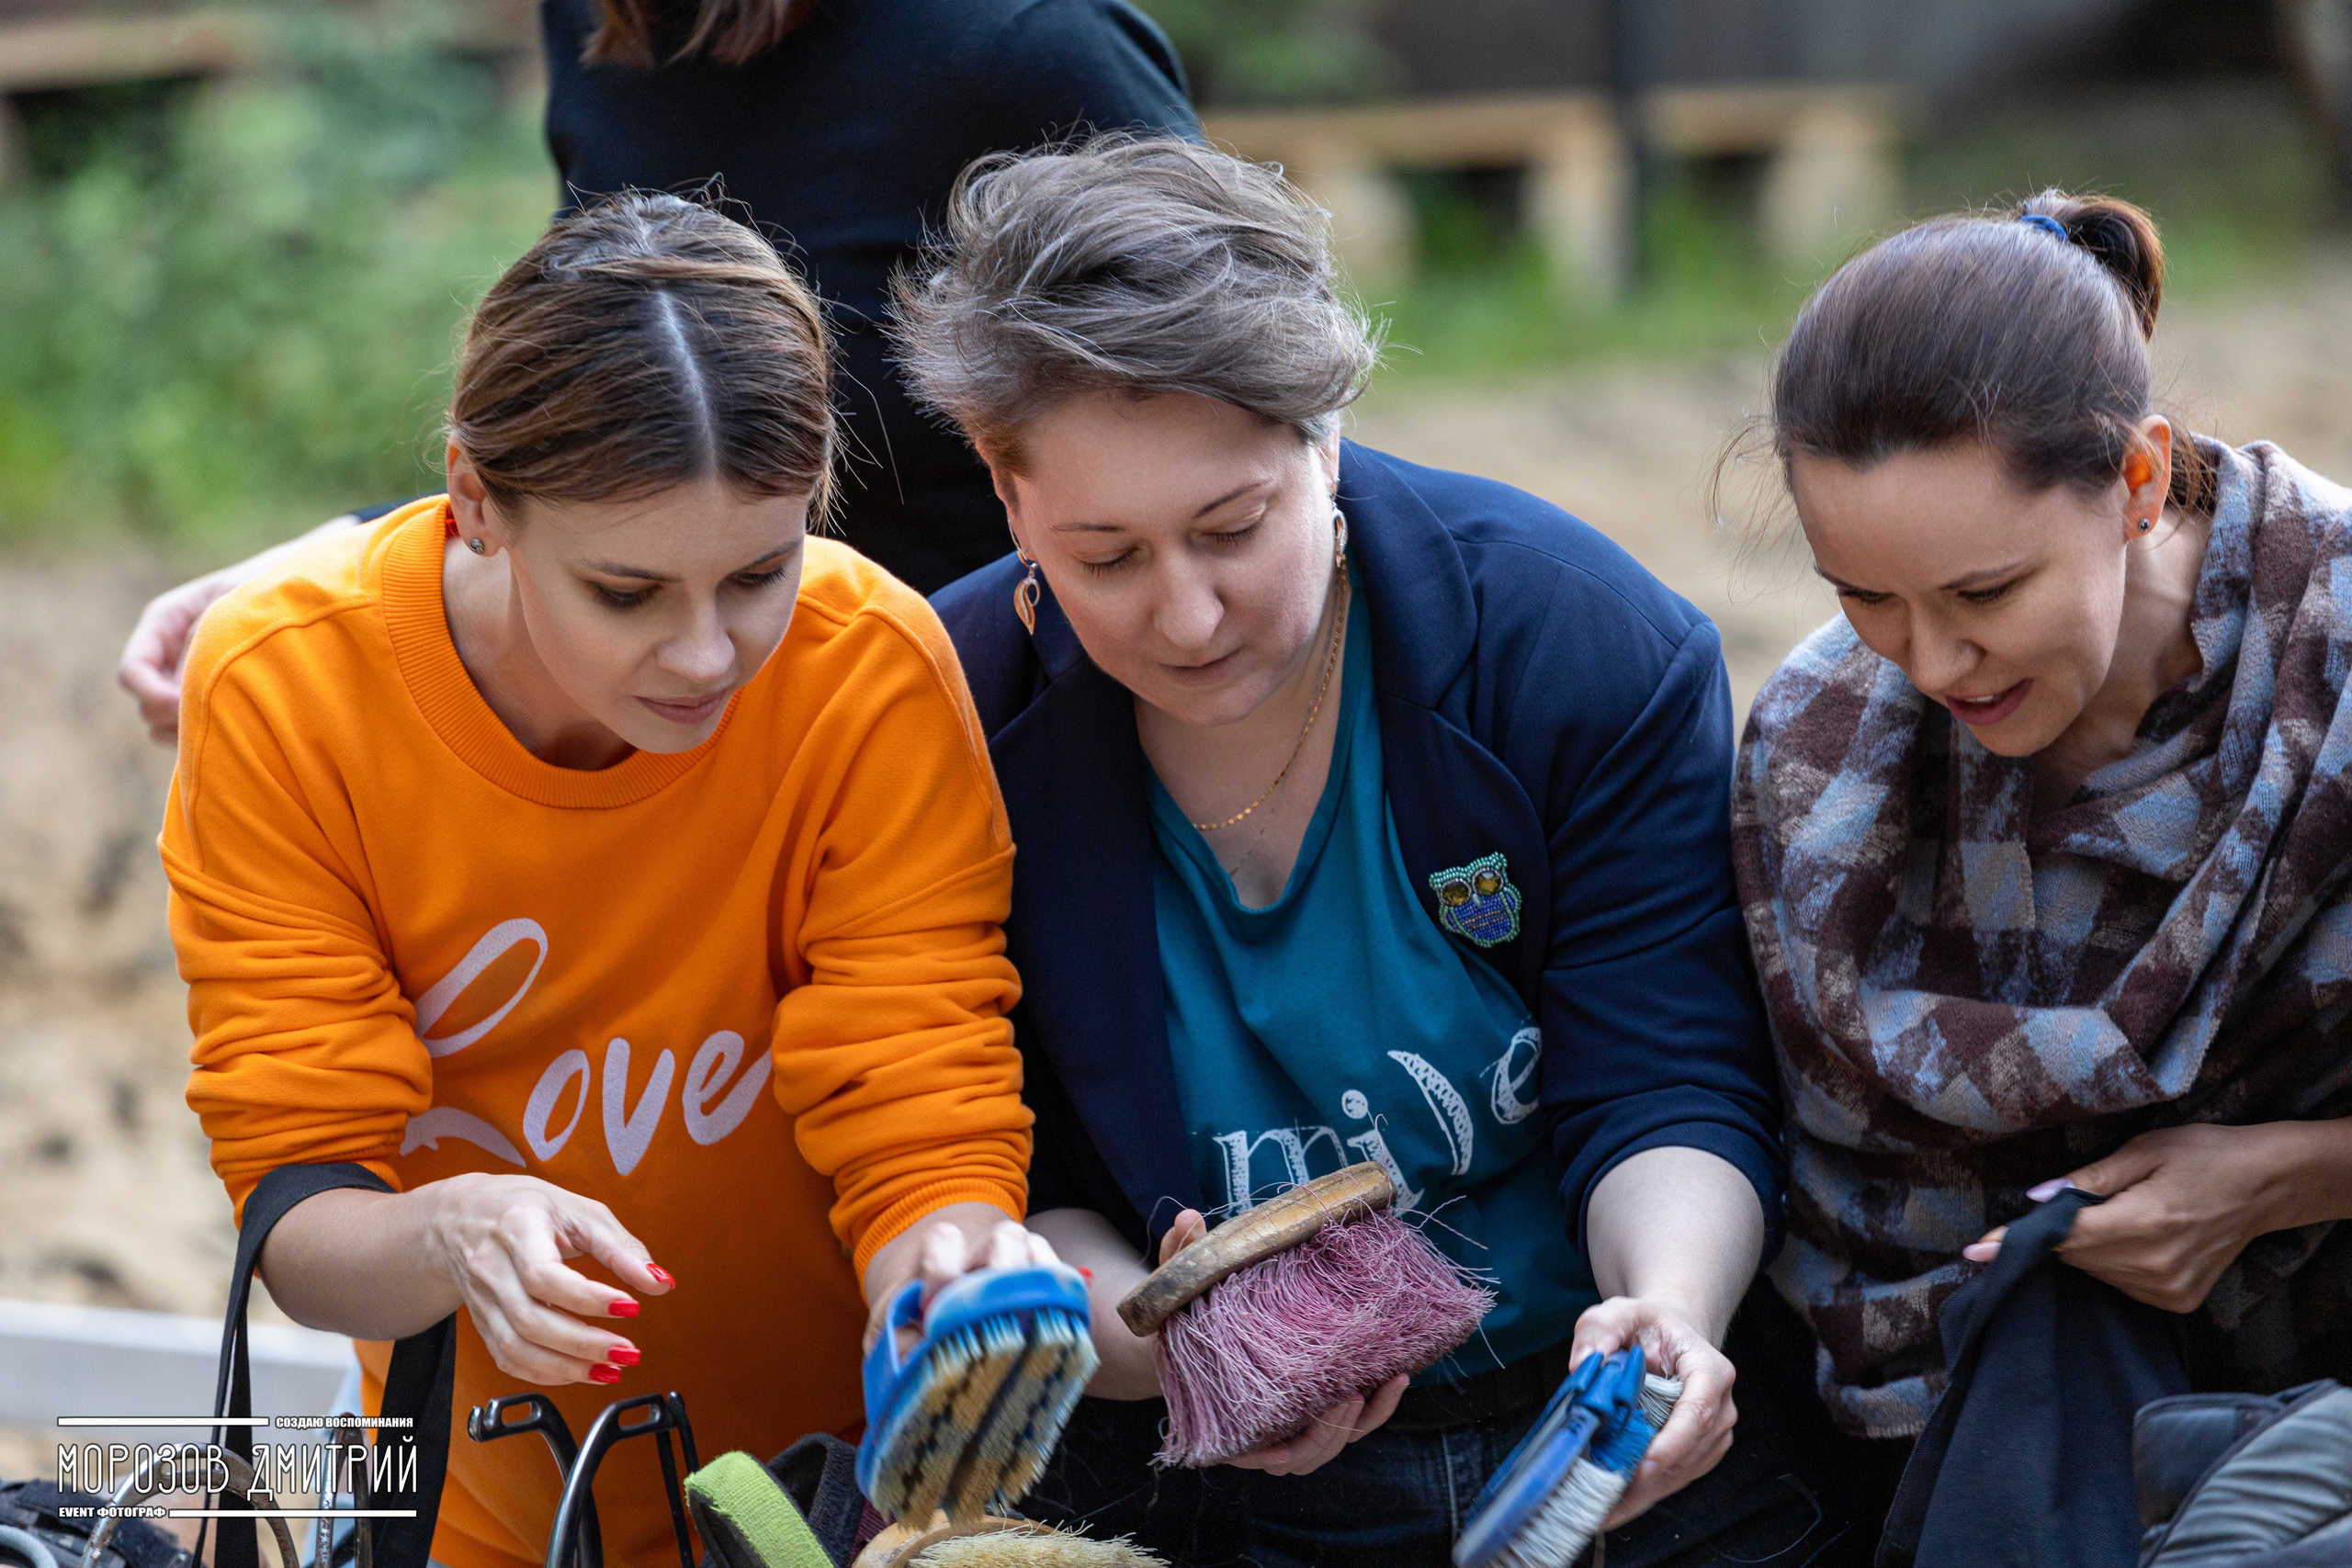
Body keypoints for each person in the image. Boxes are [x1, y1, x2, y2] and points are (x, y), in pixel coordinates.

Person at [899, 138, 1813, 1568]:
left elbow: (1670, 1070)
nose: (1187, 614)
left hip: (1602, 1439)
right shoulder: (944, 714)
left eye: (1232, 527)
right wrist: (1163, 1348)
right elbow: (1001, 1158)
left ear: (1324, 432)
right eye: (1107, 557)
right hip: (1203, 1479)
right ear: (1007, 499)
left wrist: (1668, 1311)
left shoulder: (1572, 642)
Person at [164, 192, 1052, 1568]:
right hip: (483, 1511)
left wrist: (958, 1268)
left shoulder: (866, 667)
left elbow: (919, 1097)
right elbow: (298, 1208)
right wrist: (454, 1231)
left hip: (825, 1506)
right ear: (474, 499)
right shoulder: (289, 685)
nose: (706, 656)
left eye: (761, 571)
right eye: (627, 592)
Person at [1730, 191, 2352, 1543]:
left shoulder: (2335, 672)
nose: (1931, 664)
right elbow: (1843, 1219)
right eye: (1864, 595)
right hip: (1956, 1450)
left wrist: (2288, 1175)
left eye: (1985, 592)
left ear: (2138, 479)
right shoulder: (1820, 750)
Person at [118, 0, 1197, 743]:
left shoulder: (1025, 46)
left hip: (1010, 739)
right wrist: (335, 559)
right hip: (724, 750)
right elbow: (610, 406)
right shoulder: (609, 28)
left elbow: (1250, 417)